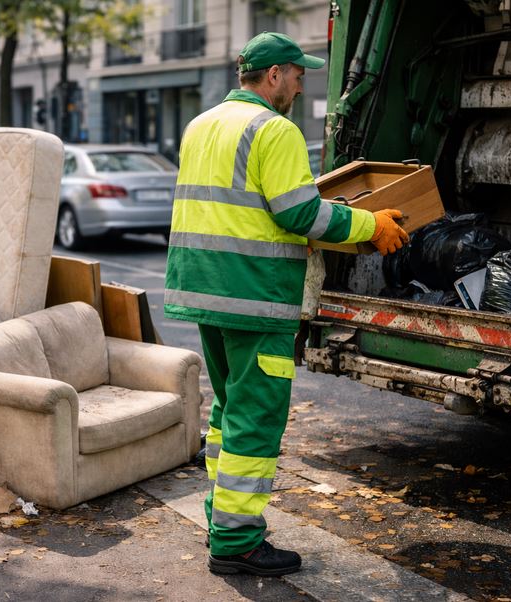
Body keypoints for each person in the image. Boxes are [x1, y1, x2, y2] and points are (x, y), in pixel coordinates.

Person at [164, 32, 409, 577]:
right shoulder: (273, 129)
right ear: (273, 75)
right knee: (256, 417)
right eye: (297, 75)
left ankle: (221, 521)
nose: (300, 86)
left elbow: (239, 208)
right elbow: (300, 214)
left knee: (230, 410)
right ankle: (237, 544)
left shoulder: (201, 124)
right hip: (255, 295)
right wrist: (372, 225)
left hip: (204, 291)